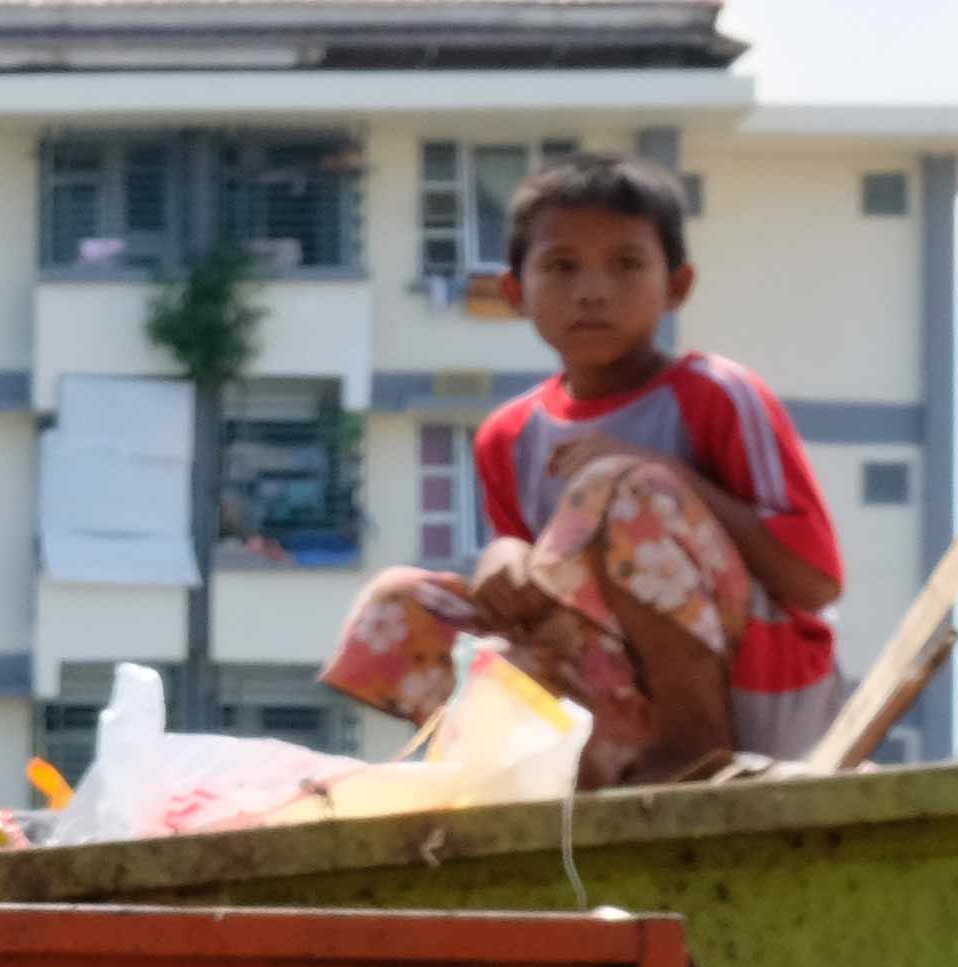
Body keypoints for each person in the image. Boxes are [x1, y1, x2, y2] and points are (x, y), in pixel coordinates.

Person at [320, 153, 844, 781]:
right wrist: (504, 555)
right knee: (400, 601)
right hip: (611, 698)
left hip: (759, 696)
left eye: (626, 264)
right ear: (515, 292)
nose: (593, 290)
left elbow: (815, 584)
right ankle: (568, 771)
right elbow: (541, 595)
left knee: (621, 488)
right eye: (561, 267)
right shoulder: (507, 436)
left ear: (676, 285)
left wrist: (659, 475)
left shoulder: (715, 394)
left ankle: (696, 755)